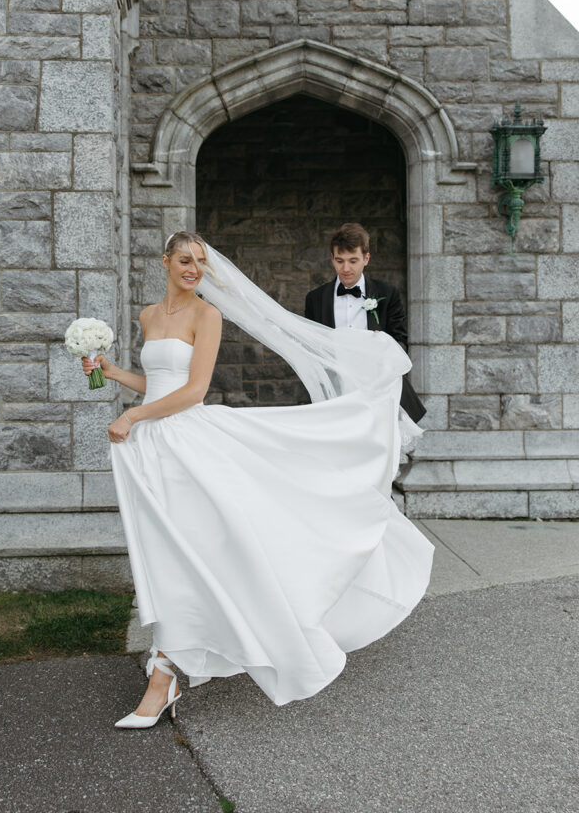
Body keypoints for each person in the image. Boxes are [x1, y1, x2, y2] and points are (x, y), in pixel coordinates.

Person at [83, 231, 434, 727]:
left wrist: (133, 417)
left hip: (184, 441)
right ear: (165, 261)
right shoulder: (148, 316)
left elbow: (194, 391)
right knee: (167, 555)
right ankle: (175, 661)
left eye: (200, 262)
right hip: (151, 450)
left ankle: (165, 675)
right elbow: (158, 382)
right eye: (185, 260)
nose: (193, 270)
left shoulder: (209, 315)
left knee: (195, 551)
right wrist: (113, 373)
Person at [304, 222, 426, 424]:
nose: (346, 268)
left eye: (353, 261)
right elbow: (311, 348)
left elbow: (401, 343)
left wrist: (384, 347)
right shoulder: (315, 299)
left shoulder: (387, 294)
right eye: (339, 260)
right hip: (336, 395)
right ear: (332, 259)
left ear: (366, 258)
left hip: (379, 394)